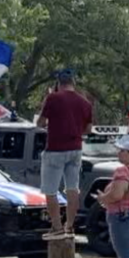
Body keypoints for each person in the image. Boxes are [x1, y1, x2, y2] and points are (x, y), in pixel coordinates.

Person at [36, 69, 93, 238]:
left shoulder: (53, 98)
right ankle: (70, 225)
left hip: (55, 149)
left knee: (51, 190)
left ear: (58, 83)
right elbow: (88, 129)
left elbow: (41, 122)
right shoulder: (85, 103)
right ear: (73, 82)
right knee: (72, 188)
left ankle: (56, 226)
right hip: (76, 149)